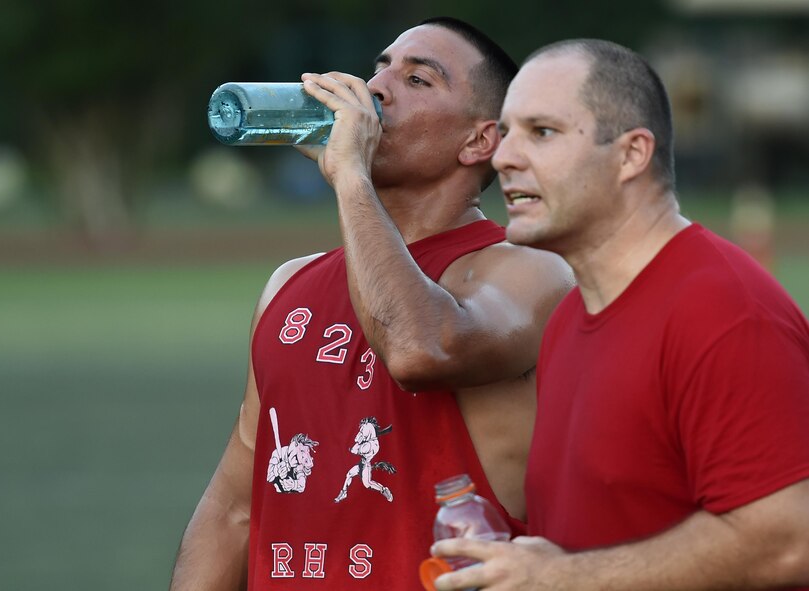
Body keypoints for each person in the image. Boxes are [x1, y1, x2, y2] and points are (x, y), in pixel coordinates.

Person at [168, 17, 573, 591]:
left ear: (479, 141)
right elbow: (234, 511)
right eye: (380, 67)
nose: (376, 88)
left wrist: (351, 176)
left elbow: (417, 349)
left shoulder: (529, 272)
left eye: (418, 80)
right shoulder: (290, 284)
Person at [430, 39, 809, 590]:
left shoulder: (722, 311)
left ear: (632, 154)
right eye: (507, 132)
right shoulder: (566, 321)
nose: (505, 156)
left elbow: (789, 540)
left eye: (542, 132)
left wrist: (568, 578)